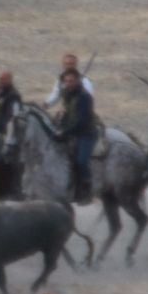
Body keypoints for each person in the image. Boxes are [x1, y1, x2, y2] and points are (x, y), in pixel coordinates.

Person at [54, 67, 97, 202]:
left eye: (71, 81)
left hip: (86, 133)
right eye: (66, 81)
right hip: (72, 132)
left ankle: (87, 187)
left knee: (81, 161)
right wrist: (59, 121)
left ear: (78, 80)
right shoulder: (67, 94)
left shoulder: (85, 97)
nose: (68, 84)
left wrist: (65, 132)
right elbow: (66, 113)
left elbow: (82, 122)